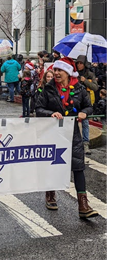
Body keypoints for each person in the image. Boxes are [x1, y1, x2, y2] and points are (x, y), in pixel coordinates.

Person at [35, 56, 99, 219]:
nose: (56, 73)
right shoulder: (48, 89)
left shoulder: (79, 89)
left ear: (68, 73)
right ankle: (50, 194)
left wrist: (85, 113)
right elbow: (39, 109)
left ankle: (83, 205)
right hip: (52, 133)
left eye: (59, 70)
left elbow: (89, 106)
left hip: (72, 133)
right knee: (53, 165)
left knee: (78, 167)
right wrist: (51, 114)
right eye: (55, 70)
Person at [75, 55, 99, 155]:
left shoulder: (90, 74)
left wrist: (84, 80)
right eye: (78, 63)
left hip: (86, 101)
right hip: (75, 100)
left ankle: (85, 144)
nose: (79, 65)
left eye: (81, 63)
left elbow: (95, 87)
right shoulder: (74, 73)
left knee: (85, 123)